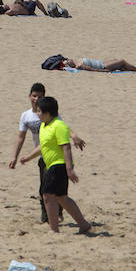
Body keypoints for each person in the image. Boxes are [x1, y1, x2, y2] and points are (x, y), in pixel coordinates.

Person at [8, 83, 86, 223]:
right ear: (29, 96)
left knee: (53, 191)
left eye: (40, 96)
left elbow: (62, 128)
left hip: (56, 158)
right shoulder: (26, 116)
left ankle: (58, 216)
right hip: (43, 156)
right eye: (34, 96)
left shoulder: (49, 114)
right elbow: (21, 137)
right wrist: (16, 156)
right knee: (45, 189)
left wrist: (73, 135)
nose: (36, 99)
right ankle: (47, 217)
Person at [18, 96, 92, 234]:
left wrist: (69, 169)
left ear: (47, 113)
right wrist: (28, 157)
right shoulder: (45, 126)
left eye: (39, 111)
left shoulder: (59, 125)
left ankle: (53, 229)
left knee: (47, 195)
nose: (37, 114)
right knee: (61, 197)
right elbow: (43, 147)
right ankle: (83, 224)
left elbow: (66, 147)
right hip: (52, 165)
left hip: (59, 166)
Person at [62, 58, 136, 73]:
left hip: (102, 62)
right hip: (103, 66)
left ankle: (130, 69)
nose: (69, 60)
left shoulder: (76, 61)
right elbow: (93, 69)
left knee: (117, 61)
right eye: (68, 62)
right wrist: (104, 71)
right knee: (122, 61)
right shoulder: (79, 65)